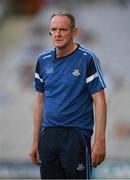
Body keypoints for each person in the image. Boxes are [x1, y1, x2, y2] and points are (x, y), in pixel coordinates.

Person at [29, 11, 107, 179]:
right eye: (54, 29)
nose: (57, 34)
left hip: (76, 135)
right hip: (48, 136)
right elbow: (39, 102)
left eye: (63, 29)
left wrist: (100, 141)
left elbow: (100, 101)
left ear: (74, 31)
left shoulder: (87, 59)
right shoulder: (42, 60)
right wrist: (35, 140)